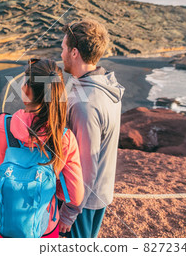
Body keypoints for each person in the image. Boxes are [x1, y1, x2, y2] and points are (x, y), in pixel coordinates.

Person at [0, 59, 84, 238]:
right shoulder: (64, 138)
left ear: (26, 91)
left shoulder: (1, 125)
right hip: (44, 227)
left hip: (1, 222)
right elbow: (76, 196)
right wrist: (58, 203)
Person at [58, 19, 125, 238]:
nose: (61, 54)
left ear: (74, 52)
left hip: (81, 202)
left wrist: (69, 212)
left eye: (64, 48)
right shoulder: (107, 86)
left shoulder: (84, 104)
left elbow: (85, 164)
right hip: (98, 195)